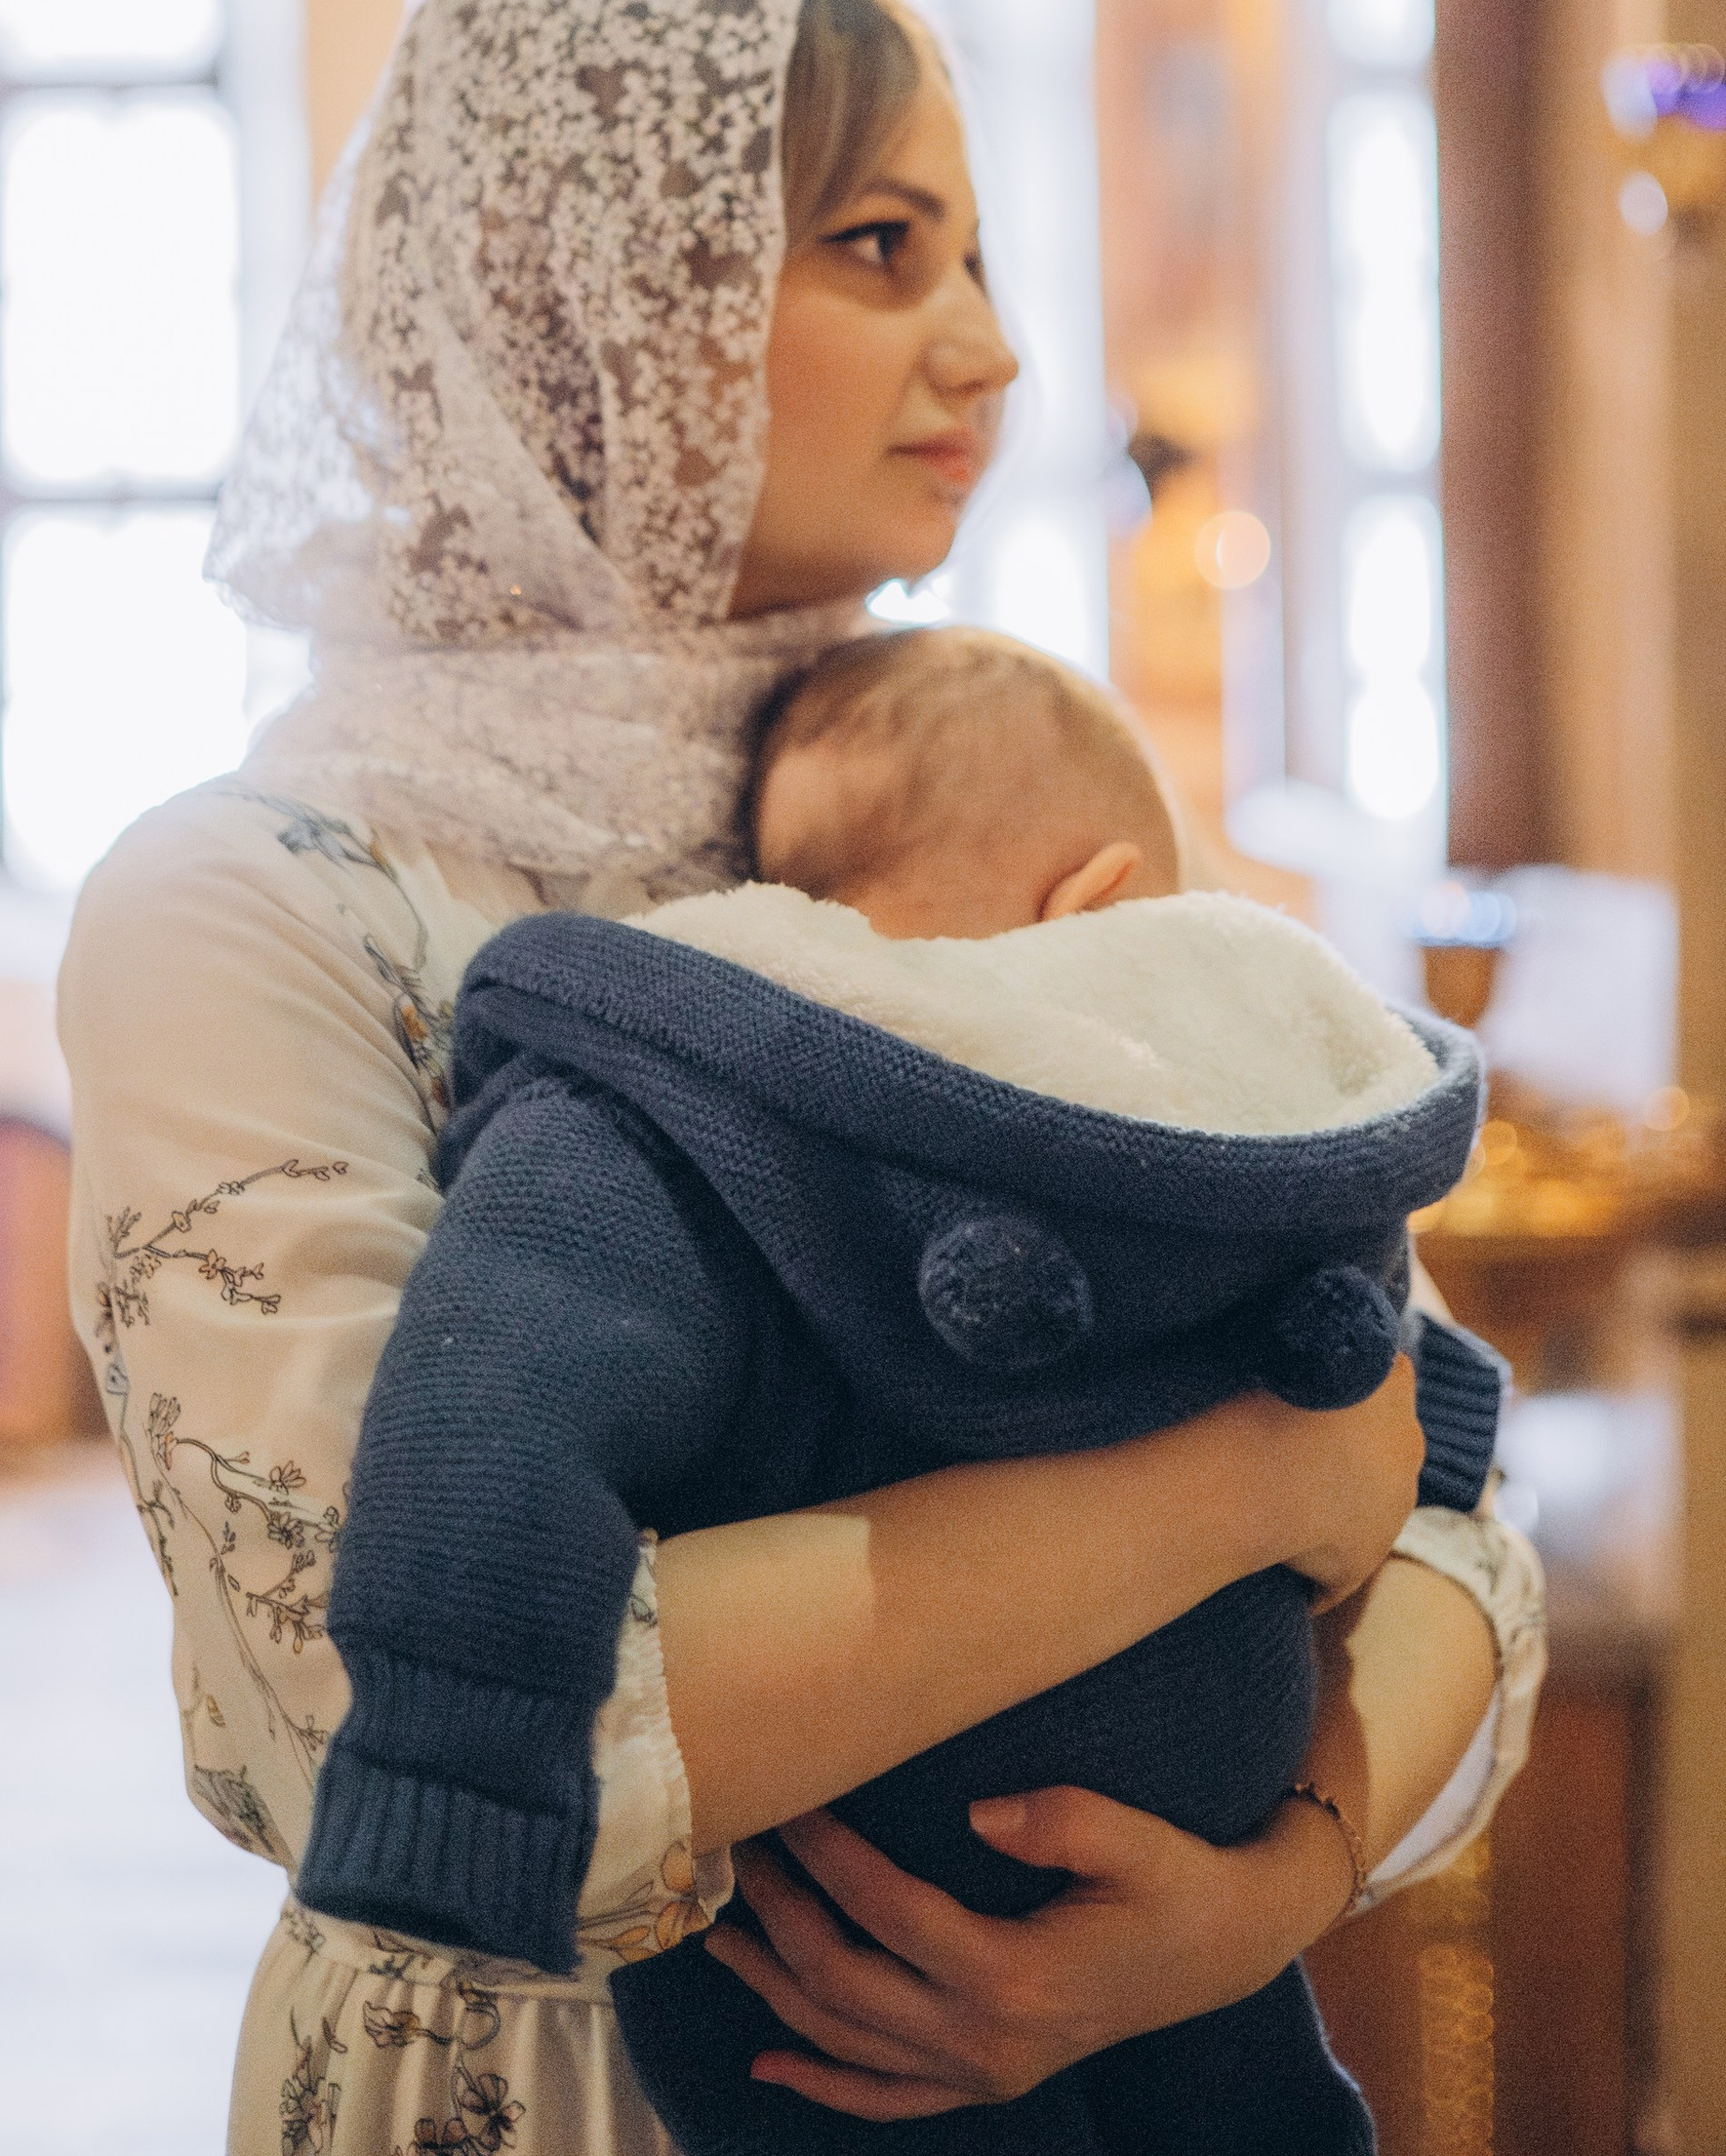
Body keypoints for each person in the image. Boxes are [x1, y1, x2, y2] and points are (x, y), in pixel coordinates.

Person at [58, 0, 1545, 2156]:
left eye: (972, 257)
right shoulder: (259, 903)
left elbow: (1444, 1521)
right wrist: (1228, 1481)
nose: (994, 352)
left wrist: (1253, 1898)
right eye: (880, 247)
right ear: (600, 298)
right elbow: (380, 1703)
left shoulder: (992, 777)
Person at [297, 618, 1509, 2156]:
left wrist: (1261, 1897)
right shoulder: (705, 1102)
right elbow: (496, 1400)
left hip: (1192, 1960)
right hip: (828, 1979)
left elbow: (500, 1393)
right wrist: (449, 1794)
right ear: (1111, 902)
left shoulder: (657, 1130)